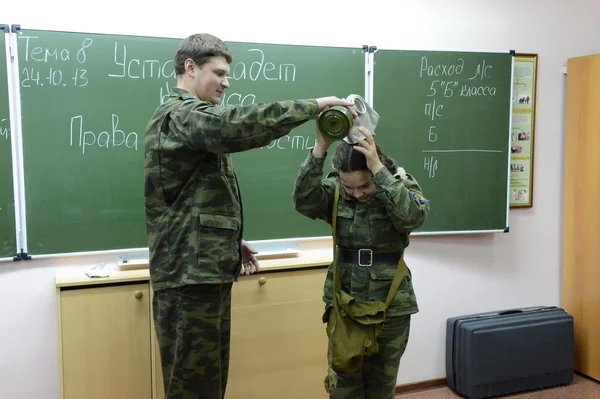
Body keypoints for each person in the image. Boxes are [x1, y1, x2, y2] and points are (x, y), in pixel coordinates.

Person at [144, 32, 355, 399]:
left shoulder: (192, 122)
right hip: (187, 276)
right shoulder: (180, 116)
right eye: (219, 73)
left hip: (203, 270)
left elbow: (191, 198)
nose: (226, 82)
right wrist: (312, 106)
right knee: (192, 387)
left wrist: (228, 240)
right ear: (190, 68)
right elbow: (236, 126)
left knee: (207, 382)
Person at [292, 125, 429, 399]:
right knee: (344, 389)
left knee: (381, 390)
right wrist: (319, 151)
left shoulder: (398, 185)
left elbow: (413, 217)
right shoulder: (335, 191)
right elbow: (304, 202)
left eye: (364, 185)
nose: (356, 193)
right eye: (349, 187)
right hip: (345, 305)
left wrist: (380, 173)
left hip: (390, 307)